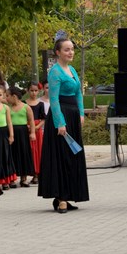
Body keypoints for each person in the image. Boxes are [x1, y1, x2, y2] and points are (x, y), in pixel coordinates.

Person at [39, 35, 89, 213]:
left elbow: (78, 94)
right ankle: (60, 197)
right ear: (58, 52)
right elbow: (53, 99)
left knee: (72, 156)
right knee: (62, 157)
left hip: (73, 115)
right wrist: (60, 123)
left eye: (72, 49)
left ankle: (69, 195)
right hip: (61, 117)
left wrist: (81, 114)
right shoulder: (55, 72)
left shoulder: (72, 70)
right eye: (67, 49)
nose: (71, 52)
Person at [5, 86, 35, 188]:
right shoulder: (8, 108)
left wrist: (32, 133)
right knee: (12, 155)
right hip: (11, 133)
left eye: (7, 96)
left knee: (23, 153)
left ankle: (24, 178)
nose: (6, 98)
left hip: (23, 134)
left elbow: (31, 121)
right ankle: (12, 179)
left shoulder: (26, 107)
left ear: (14, 96)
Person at [26, 83, 45, 182]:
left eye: (36, 90)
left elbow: (43, 118)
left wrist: (37, 127)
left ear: (38, 91)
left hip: (37, 131)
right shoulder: (24, 103)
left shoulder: (40, 104)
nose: (34, 93)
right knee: (29, 150)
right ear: (28, 91)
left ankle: (37, 174)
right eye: (32, 90)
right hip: (27, 130)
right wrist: (27, 126)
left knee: (38, 150)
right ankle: (27, 173)